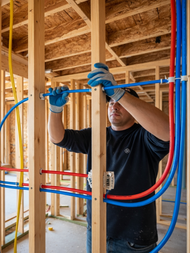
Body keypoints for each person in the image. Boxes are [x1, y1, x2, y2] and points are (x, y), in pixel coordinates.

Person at [47, 63, 170, 253]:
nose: (114, 106)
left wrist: (119, 93)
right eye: (111, 102)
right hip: (96, 229)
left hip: (134, 238)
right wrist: (55, 111)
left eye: (120, 102)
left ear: (133, 110)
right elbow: (59, 138)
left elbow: (168, 132)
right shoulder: (96, 135)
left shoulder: (144, 137)